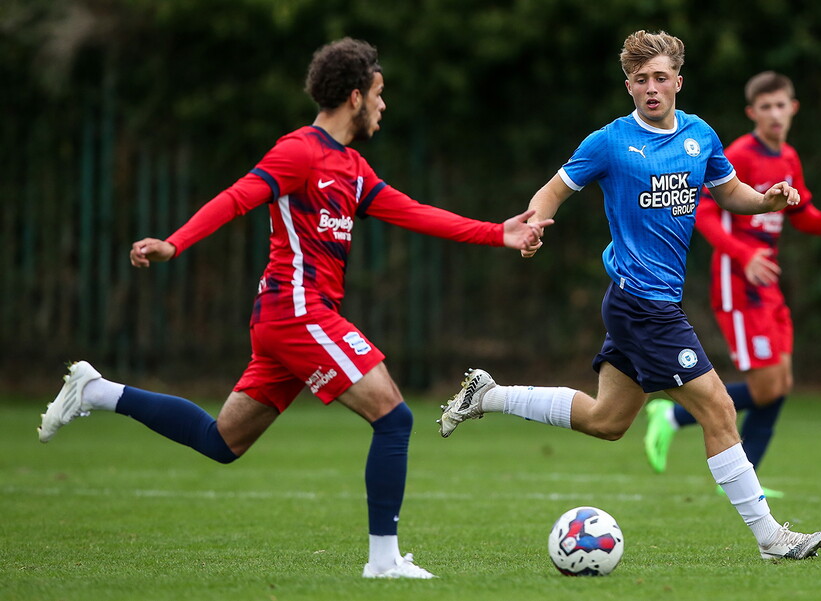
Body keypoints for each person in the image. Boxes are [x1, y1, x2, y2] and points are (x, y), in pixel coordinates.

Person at [37, 37, 551, 579]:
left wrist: (501, 233)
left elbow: (416, 213)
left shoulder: (353, 167)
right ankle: (383, 561)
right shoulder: (299, 151)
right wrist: (175, 242)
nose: (383, 105)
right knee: (394, 416)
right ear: (354, 96)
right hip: (297, 311)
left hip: (288, 320)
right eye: (379, 94)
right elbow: (238, 197)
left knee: (222, 442)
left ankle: (96, 391)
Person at [438, 30, 821, 560]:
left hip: (651, 303)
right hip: (640, 303)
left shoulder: (700, 136)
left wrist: (768, 200)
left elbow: (730, 193)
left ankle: (487, 395)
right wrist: (533, 226)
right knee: (718, 409)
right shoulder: (610, 141)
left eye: (661, 77)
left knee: (608, 421)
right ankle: (771, 539)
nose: (652, 87)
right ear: (629, 86)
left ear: (677, 82)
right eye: (641, 79)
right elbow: (554, 189)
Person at [643, 71, 821, 495]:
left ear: (793, 109)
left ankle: (744, 478)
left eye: (781, 105)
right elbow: (701, 209)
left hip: (766, 282)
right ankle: (673, 417)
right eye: (766, 107)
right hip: (738, 279)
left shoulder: (789, 158)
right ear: (752, 113)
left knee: (780, 386)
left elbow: (800, 210)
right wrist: (744, 254)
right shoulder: (740, 152)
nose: (775, 114)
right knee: (765, 385)